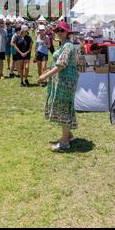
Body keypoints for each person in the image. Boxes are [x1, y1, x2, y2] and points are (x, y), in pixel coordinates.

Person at [38, 21, 79, 151]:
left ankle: (65, 142)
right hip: (62, 79)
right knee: (63, 105)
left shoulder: (68, 46)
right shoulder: (64, 45)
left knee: (63, 107)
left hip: (65, 81)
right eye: (57, 31)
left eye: (62, 31)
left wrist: (45, 75)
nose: (59, 33)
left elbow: (61, 65)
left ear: (67, 32)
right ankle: (68, 135)